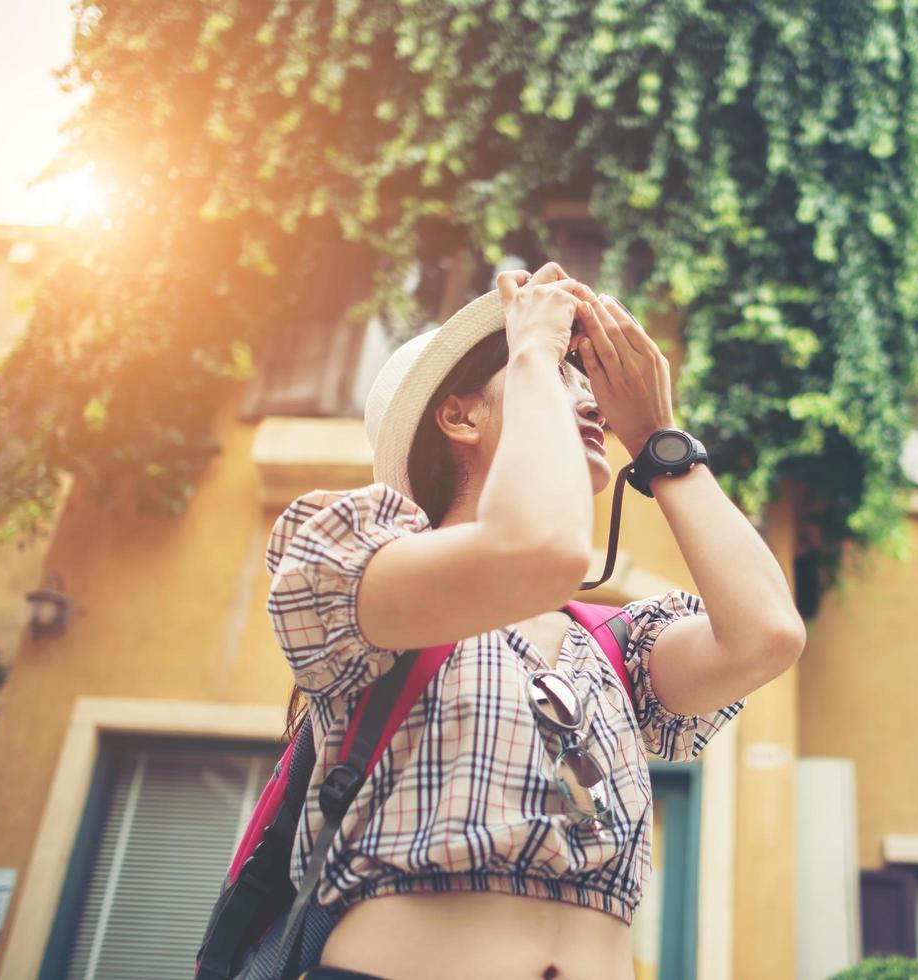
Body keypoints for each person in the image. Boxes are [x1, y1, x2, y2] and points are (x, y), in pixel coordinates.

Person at [263, 261, 806, 979]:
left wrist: (658, 440)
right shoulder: (362, 575)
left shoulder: (609, 651)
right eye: (558, 381)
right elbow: (537, 550)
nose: (588, 407)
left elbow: (766, 633)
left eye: (587, 391)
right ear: (459, 416)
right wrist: (530, 345)